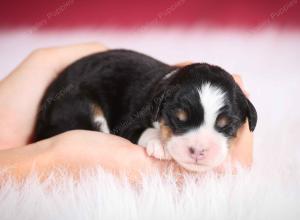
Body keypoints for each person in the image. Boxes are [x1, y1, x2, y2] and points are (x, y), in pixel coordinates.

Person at [0, 43, 253, 182]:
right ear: (159, 108)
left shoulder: (168, 93)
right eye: (179, 122)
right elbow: (130, 127)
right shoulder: (154, 98)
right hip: (76, 103)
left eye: (224, 126)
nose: (199, 148)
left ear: (246, 118)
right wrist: (52, 156)